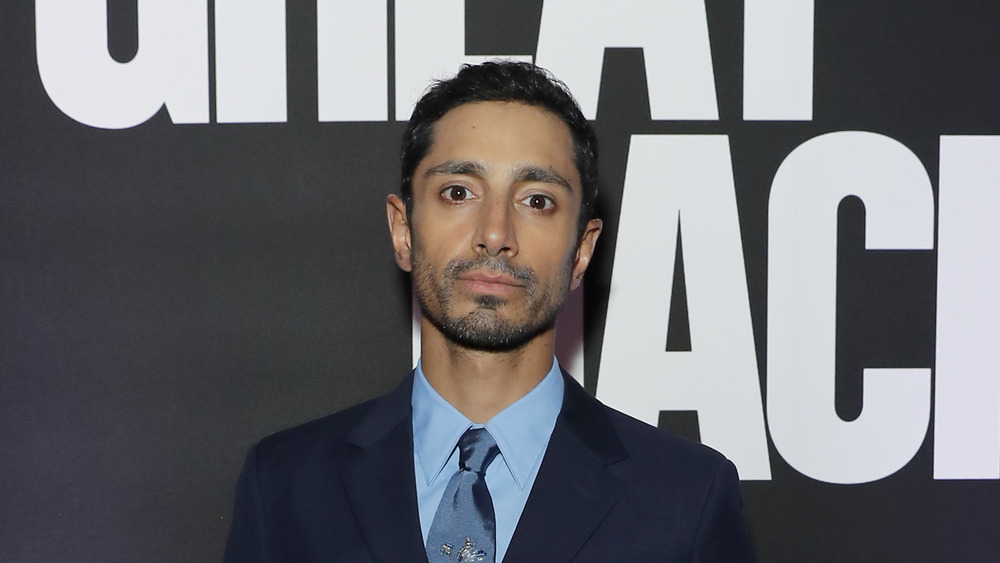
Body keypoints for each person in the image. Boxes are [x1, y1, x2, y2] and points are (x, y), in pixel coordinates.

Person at [224, 61, 756, 562]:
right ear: (403, 230)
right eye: (458, 192)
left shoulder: (686, 499)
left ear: (582, 251)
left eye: (537, 200)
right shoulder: (285, 484)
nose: (495, 234)